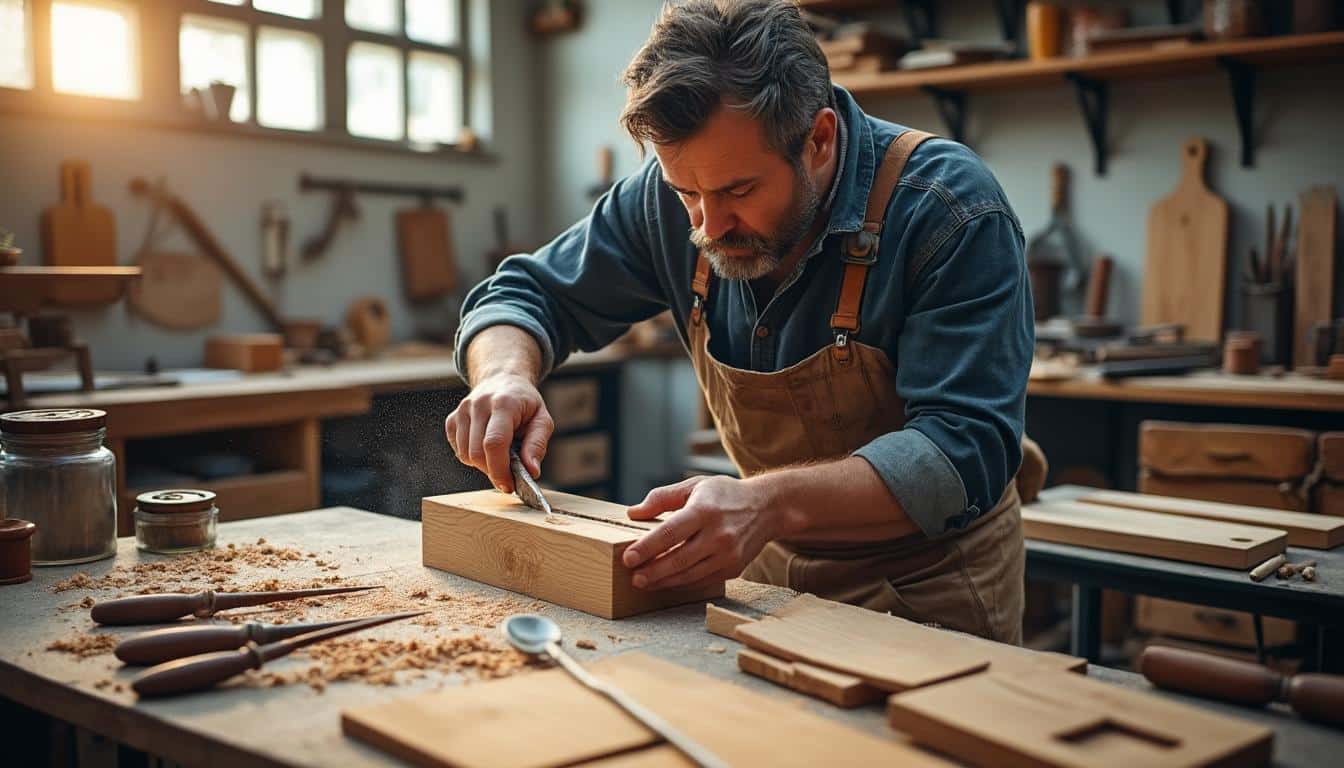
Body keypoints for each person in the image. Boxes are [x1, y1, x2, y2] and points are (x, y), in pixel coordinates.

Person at [445, 0, 1039, 642]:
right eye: (687, 194)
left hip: (930, 585)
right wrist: (503, 376)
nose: (706, 225)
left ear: (819, 140)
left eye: (738, 192)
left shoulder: (950, 210)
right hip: (766, 573)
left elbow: (962, 450)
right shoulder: (666, 203)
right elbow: (524, 293)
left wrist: (767, 501)